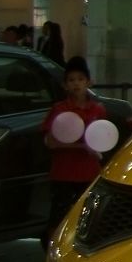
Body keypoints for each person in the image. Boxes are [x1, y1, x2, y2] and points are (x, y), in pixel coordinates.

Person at [40, 57, 111, 249]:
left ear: (89, 82)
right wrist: (81, 147)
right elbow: (51, 142)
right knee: (59, 216)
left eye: (80, 79)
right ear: (65, 85)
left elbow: (103, 137)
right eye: (71, 80)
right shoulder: (60, 110)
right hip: (63, 173)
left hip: (89, 173)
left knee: (89, 217)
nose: (76, 84)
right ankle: (53, 252)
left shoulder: (98, 109)